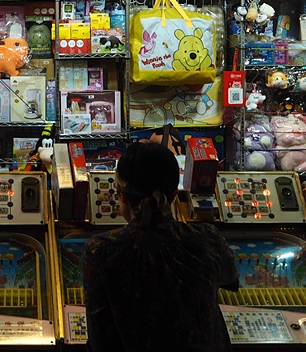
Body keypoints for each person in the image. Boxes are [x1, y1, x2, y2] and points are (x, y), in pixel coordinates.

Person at [82, 141, 239, 351]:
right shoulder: (208, 238)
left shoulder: (101, 250)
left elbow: (99, 338)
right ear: (174, 195)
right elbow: (231, 279)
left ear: (122, 196)